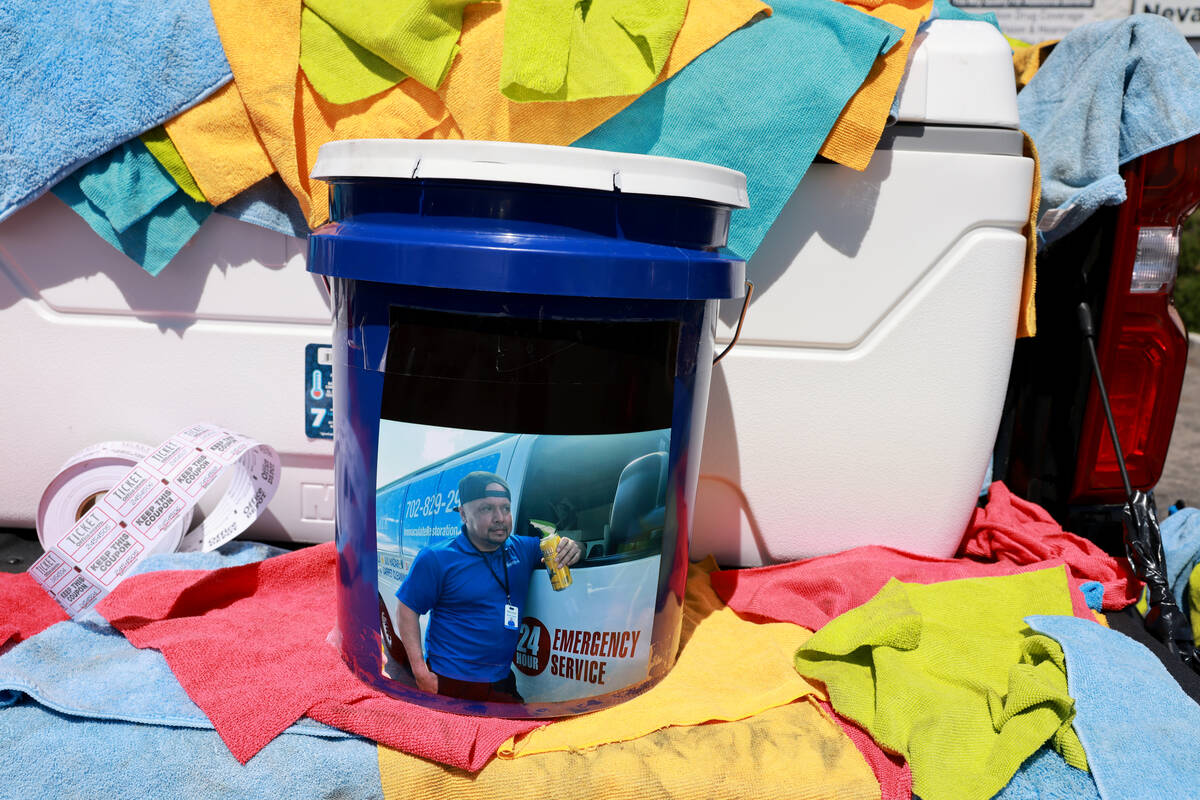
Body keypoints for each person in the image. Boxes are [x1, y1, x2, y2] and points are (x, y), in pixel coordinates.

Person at [393, 470, 581, 702]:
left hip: (500, 680)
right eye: (486, 509)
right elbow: (406, 609)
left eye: (505, 508)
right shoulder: (436, 558)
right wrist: (420, 672)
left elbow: (565, 544)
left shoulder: (522, 548)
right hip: (451, 682)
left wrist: (574, 547)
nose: (500, 517)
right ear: (463, 514)